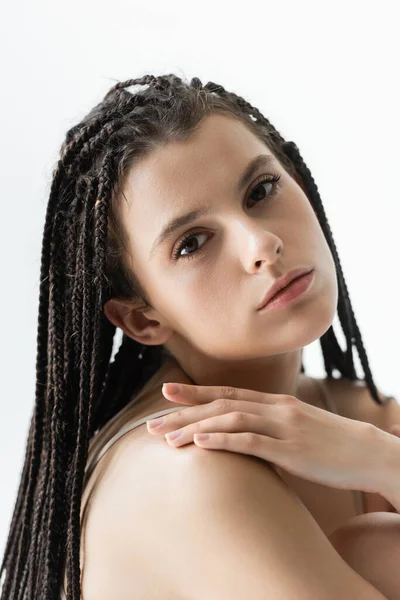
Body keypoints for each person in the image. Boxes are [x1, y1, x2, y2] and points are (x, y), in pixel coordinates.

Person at [1, 74, 398, 600]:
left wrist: (382, 460)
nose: (262, 243)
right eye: (192, 243)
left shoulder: (355, 420)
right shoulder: (186, 469)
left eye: (261, 190)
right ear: (143, 319)